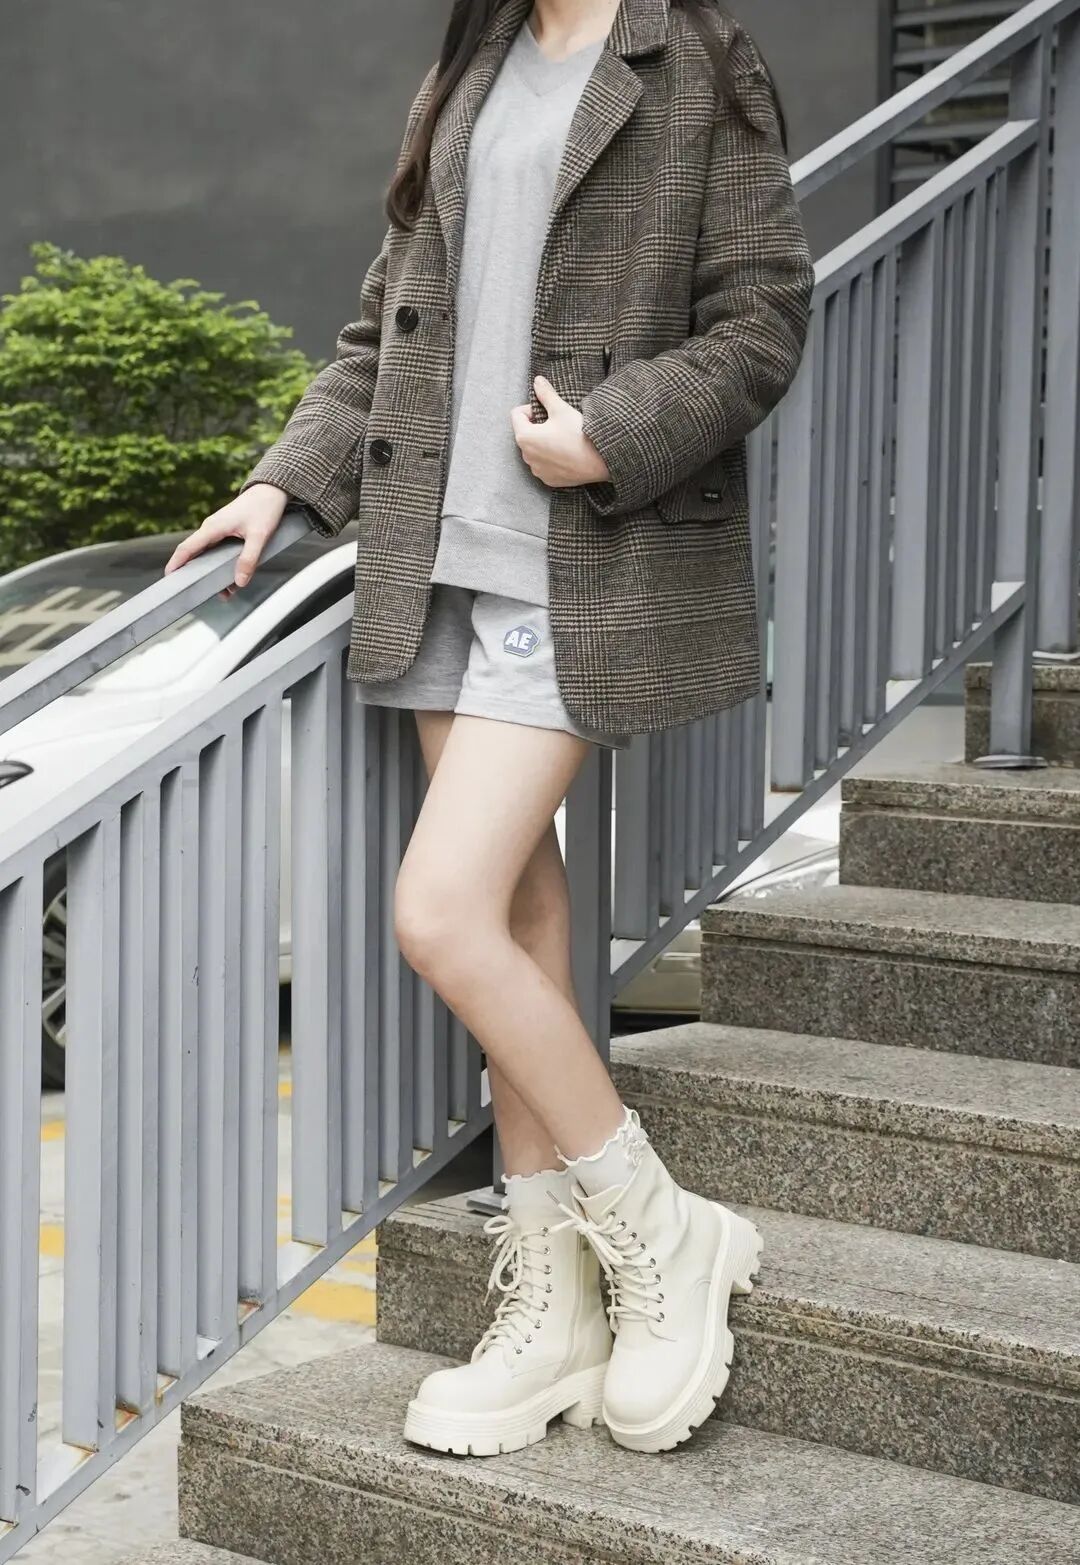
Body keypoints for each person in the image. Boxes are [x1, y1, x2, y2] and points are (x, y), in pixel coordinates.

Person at [165, 0, 814, 1458]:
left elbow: (762, 316)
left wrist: (612, 433)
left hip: (578, 564)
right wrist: (285, 481)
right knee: (516, 908)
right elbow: (384, 325)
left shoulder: (694, 55)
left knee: (440, 910)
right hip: (436, 564)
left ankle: (662, 1227)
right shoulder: (473, 65)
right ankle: (554, 1305)